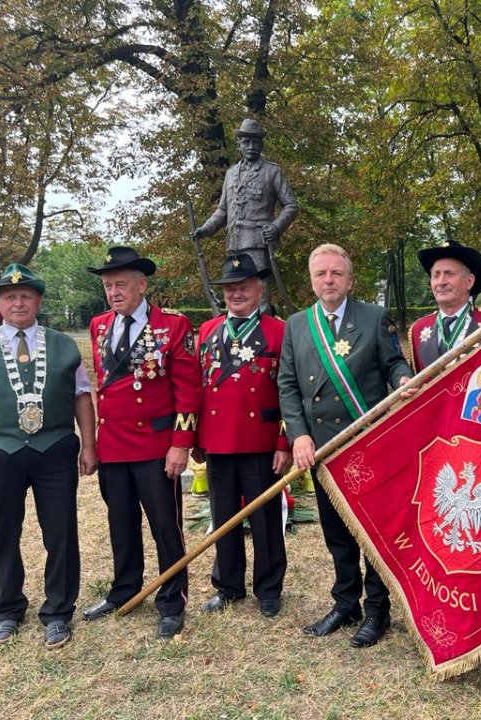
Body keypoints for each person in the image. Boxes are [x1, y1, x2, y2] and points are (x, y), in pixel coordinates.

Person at [0, 263, 97, 649]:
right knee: (1, 532)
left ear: (39, 300)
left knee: (60, 532)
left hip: (55, 451)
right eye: (10, 296)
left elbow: (81, 397)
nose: (18, 302)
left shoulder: (63, 344)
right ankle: (7, 609)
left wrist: (89, 445)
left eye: (26, 295)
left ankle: (59, 612)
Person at [278, 243, 414, 648]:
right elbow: (287, 385)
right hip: (321, 447)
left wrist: (403, 378)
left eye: (336, 273)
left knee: (371, 531)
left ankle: (377, 610)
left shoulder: (373, 318)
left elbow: (394, 363)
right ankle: (344, 603)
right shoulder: (297, 325)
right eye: (321, 274)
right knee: (337, 531)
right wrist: (298, 434)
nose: (329, 280)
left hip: (367, 442)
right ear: (311, 280)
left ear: (350, 280)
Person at [81, 246, 201, 639]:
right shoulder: (99, 325)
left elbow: (188, 390)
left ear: (141, 285)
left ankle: (172, 599)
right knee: (121, 524)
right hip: (114, 445)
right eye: (108, 285)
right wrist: (94, 445)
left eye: (121, 284)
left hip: (155, 446)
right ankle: (124, 590)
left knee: (166, 526)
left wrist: (180, 444)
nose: (114, 292)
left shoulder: (172, 325)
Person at [195, 254, 292, 617]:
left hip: (262, 442)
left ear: (259, 289)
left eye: (244, 287)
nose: (236, 294)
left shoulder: (278, 331)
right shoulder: (207, 331)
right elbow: (197, 387)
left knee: (265, 518)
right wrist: (195, 439)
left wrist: (284, 442)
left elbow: (289, 390)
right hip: (218, 440)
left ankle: (269, 588)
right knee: (223, 517)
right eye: (230, 288)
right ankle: (228, 586)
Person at [191, 118, 299, 306]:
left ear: (261, 144)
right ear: (239, 144)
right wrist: (205, 229)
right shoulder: (231, 173)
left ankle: (262, 332)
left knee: (258, 293)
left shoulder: (271, 172)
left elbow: (291, 205)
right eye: (246, 141)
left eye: (255, 141)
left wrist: (275, 228)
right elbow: (223, 209)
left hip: (257, 242)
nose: (251, 146)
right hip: (233, 243)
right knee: (235, 291)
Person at [410, 240, 481, 402]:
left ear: (469, 281)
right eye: (436, 275)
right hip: (434, 424)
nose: (441, 281)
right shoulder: (418, 329)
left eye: (449, 274)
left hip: (478, 422)